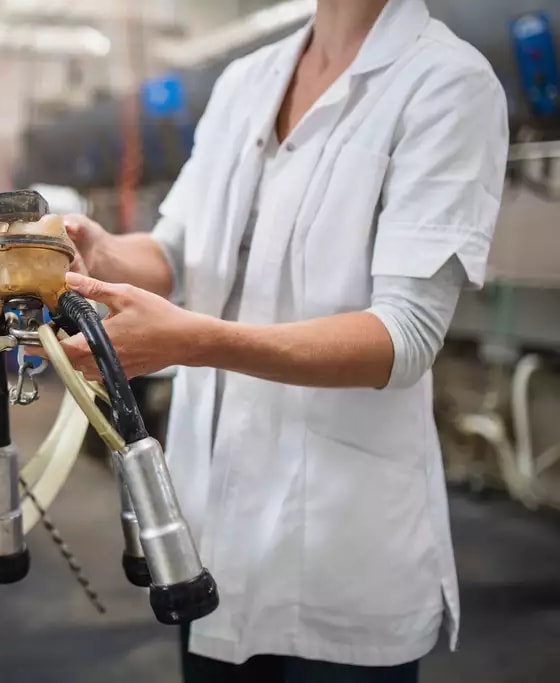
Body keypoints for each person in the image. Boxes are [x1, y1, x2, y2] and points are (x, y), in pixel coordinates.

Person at [53, 0, 509, 681]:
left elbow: (404, 335)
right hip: (207, 532)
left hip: (339, 551)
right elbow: (177, 248)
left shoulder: (446, 82)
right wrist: (103, 251)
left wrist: (192, 342)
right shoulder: (246, 81)